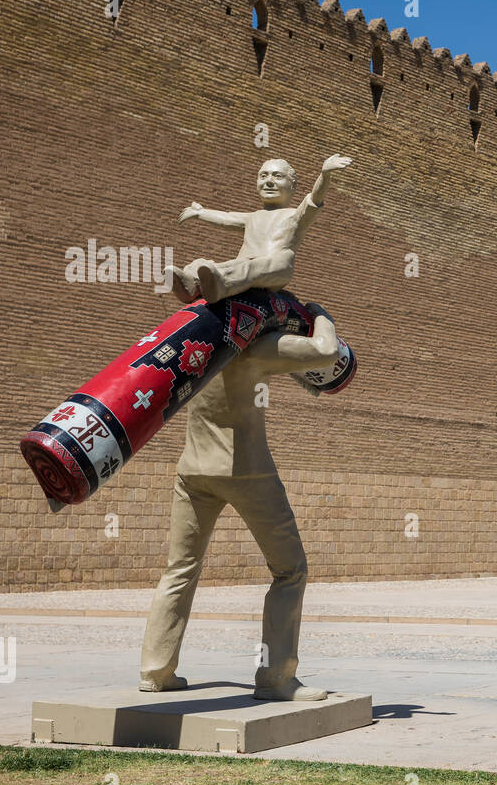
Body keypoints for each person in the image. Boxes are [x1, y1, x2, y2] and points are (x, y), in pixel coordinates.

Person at [139, 303, 342, 699]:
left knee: (180, 568)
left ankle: (155, 670)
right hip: (247, 471)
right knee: (290, 570)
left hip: (193, 469)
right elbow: (325, 352)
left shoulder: (198, 341)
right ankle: (276, 677)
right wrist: (320, 315)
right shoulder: (256, 347)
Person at [166, 154, 351, 304]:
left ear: (293, 185)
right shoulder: (253, 216)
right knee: (205, 264)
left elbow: (315, 199)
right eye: (263, 176)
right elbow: (227, 218)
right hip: (242, 266)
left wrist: (324, 175)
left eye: (277, 176)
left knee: (253, 266)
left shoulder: (295, 215)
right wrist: (200, 212)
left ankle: (219, 286)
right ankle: (190, 283)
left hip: (275, 268)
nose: (269, 181)